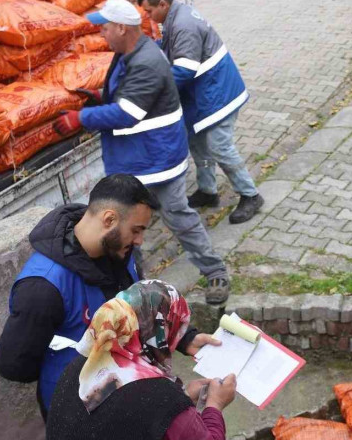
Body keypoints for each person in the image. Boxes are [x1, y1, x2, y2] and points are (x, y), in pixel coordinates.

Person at [0, 174, 221, 421]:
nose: (140, 240)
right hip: (81, 418)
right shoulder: (43, 288)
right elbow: (15, 365)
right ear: (109, 219)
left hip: (129, 398)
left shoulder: (119, 251)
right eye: (136, 230)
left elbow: (141, 308)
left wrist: (184, 338)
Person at [54, 0, 231, 304]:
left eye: (105, 28)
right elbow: (128, 91)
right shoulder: (129, 52)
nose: (102, 34)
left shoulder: (146, 61)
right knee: (125, 228)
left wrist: (80, 118)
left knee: (177, 216)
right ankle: (134, 287)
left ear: (122, 28)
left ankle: (214, 271)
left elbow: (128, 112)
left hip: (157, 160)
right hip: (138, 158)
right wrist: (99, 95)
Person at [46, 280, 236, 440]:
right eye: (177, 328)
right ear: (162, 331)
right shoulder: (163, 400)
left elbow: (122, 414)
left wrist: (183, 397)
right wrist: (215, 404)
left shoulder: (80, 367)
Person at [141, 0, 264, 225]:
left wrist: (155, 92)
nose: (148, 16)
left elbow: (184, 70)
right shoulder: (175, 16)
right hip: (205, 93)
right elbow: (174, 50)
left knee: (219, 146)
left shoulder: (183, 24)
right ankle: (208, 191)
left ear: (161, 4)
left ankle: (250, 195)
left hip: (218, 93)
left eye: (149, 11)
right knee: (197, 142)